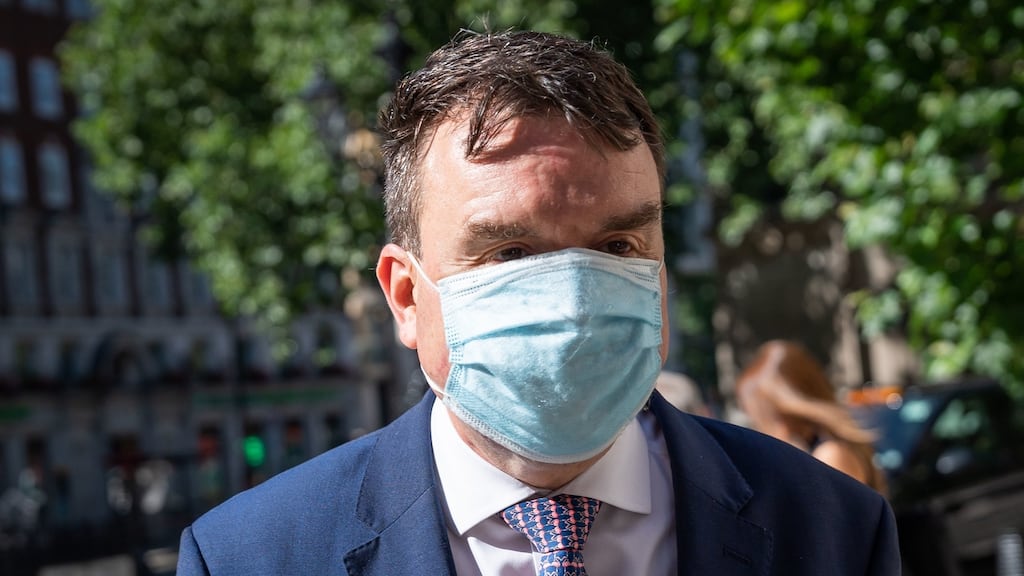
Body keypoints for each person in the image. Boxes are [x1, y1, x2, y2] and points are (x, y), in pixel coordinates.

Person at [176, 30, 899, 575]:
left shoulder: (830, 528)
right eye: (510, 254)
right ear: (404, 295)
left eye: (618, 246)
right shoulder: (251, 558)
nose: (575, 303)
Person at [735, 339, 888, 494]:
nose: (758, 425)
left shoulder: (830, 454)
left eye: (759, 415)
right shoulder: (823, 448)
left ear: (782, 412)